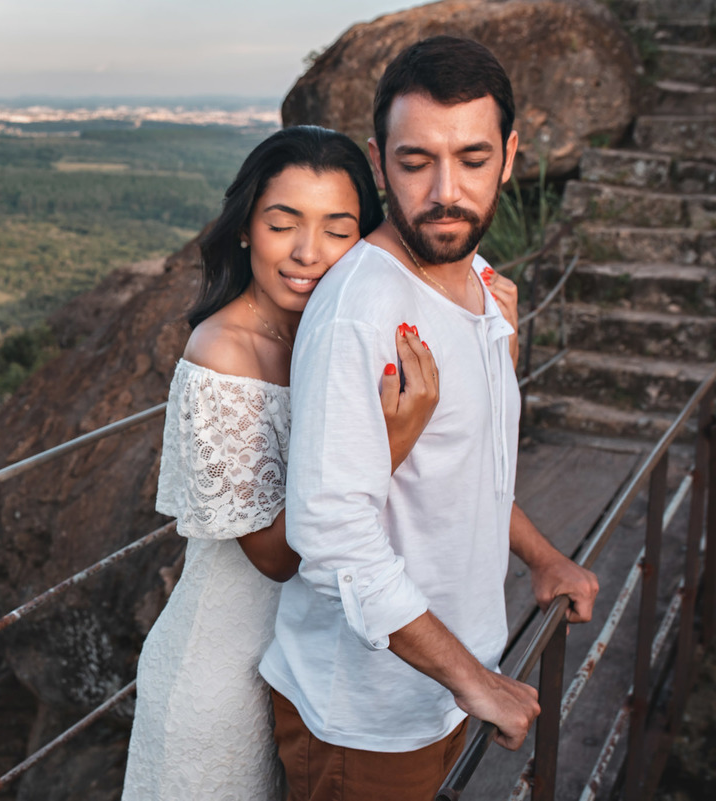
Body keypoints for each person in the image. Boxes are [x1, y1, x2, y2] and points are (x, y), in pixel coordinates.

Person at [259, 37, 600, 801]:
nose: (446, 191)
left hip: (444, 682)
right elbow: (331, 533)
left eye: (472, 159)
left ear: (509, 156)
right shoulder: (361, 310)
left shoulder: (479, 278)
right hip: (366, 713)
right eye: (417, 163)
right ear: (379, 165)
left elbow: (467, 466)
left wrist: (543, 556)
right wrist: (475, 679)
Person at [122, 125, 483, 800]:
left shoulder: (338, 326)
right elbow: (274, 556)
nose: (307, 253)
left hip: (311, 665)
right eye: (282, 223)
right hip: (222, 673)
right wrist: (392, 441)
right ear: (244, 229)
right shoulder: (223, 352)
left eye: (337, 229)